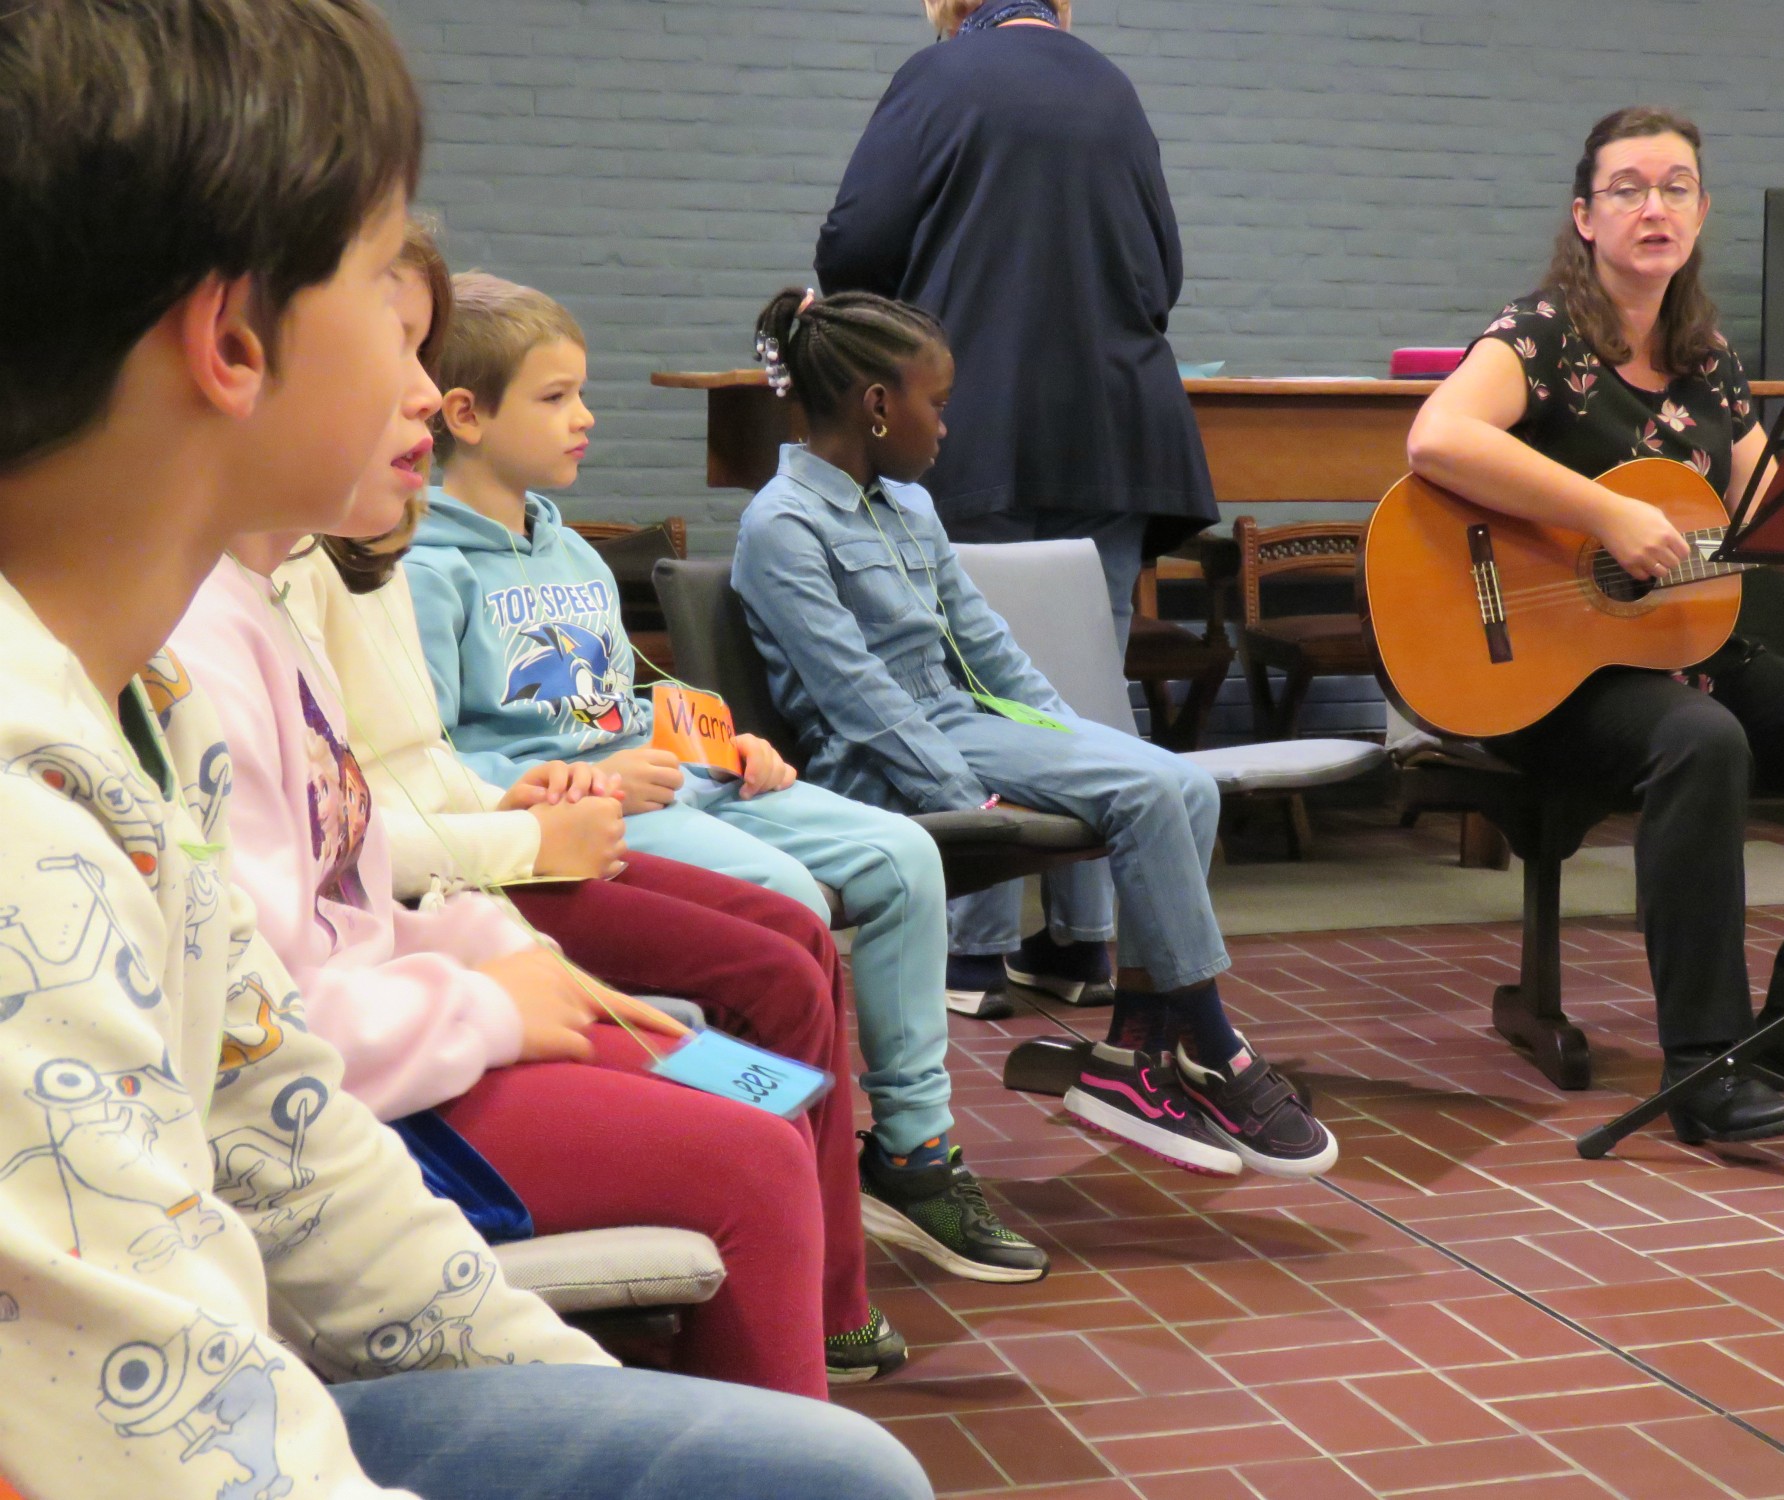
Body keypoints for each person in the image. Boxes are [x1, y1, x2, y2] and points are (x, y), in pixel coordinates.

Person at [0, 2, 931, 1498]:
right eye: (389, 292)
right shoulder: (25, 805)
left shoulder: (142, 708)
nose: (428, 384)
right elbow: (160, 1433)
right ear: (232, 340)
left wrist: (582, 1405)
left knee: (816, 1470)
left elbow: (276, 1124)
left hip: (235, 1375)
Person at [272, 225, 899, 1386]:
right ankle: (810, 1305)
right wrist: (519, 854)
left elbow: (395, 799)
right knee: (756, 1070)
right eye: (395, 357)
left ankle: (821, 1285)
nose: (415, 401)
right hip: (427, 1015)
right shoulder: (314, 587)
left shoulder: (339, 567)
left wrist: (518, 809)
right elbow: (327, 904)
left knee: (775, 1006)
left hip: (473, 926)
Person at [402, 273, 1050, 1288]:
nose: (586, 417)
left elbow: (618, 698)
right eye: (556, 397)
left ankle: (913, 1154)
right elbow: (433, 756)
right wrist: (584, 776)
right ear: (466, 416)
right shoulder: (423, 566)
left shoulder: (566, 545)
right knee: (781, 905)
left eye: (582, 392)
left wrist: (718, 741)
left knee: (902, 854)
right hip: (580, 813)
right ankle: (786, 1162)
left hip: (669, 780)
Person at [1405, 105, 1784, 1146]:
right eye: (1627, 188)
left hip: (1674, 650)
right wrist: (1603, 510)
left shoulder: (1704, 361)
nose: (1654, 206)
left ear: (1699, 212)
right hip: (1544, 670)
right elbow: (1436, 438)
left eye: (1676, 186)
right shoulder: (1540, 335)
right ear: (1584, 216)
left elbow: (1775, 517)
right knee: (1701, 739)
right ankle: (1704, 1059)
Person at [733, 287, 1337, 1184]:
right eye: (934, 404)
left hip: (971, 728)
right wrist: (969, 800)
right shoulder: (780, 526)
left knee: (1179, 780)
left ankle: (1136, 1052)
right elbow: (857, 698)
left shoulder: (909, 508)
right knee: (1144, 792)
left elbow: (987, 646)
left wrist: (1074, 743)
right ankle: (1208, 1040)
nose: (945, 426)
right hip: (884, 764)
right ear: (876, 406)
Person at [815, 0, 1221, 1012]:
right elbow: (1162, 272)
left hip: (974, 422)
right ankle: (1083, 943)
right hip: (1115, 432)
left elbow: (854, 246)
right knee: (1082, 683)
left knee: (954, 678)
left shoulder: (938, 76)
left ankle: (971, 951)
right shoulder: (1111, 89)